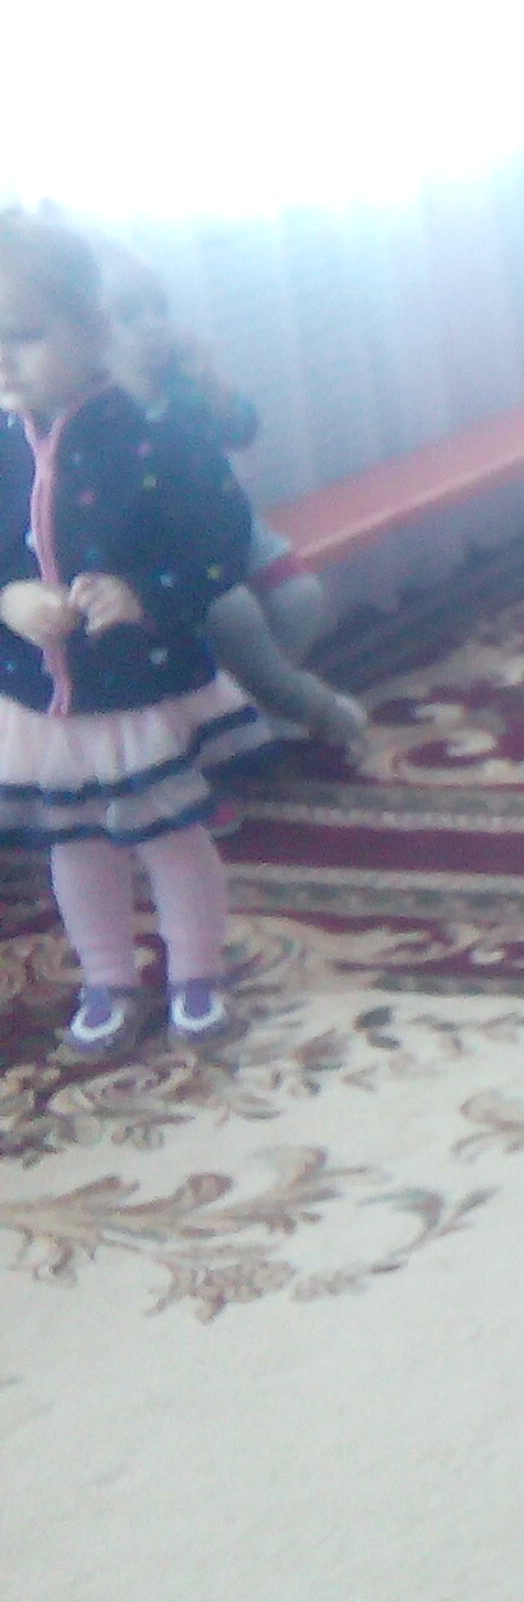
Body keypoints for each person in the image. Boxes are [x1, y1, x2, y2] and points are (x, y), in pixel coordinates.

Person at [0, 214, 270, 1049]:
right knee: (76, 843)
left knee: (169, 836)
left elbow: (222, 543)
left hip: (140, 686)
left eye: (23, 336)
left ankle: (196, 969)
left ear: (91, 329)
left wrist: (143, 594)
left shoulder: (158, 440)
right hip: (41, 703)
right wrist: (8, 598)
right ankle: (108, 977)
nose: (3, 359)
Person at [96, 247, 367, 747]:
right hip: (176, 553)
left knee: (302, 597)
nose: (153, 325)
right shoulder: (104, 411)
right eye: (130, 316)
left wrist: (211, 381)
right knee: (236, 614)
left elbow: (242, 429)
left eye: (159, 310)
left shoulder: (184, 385)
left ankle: (259, 703)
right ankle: (312, 705)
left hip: (234, 525)